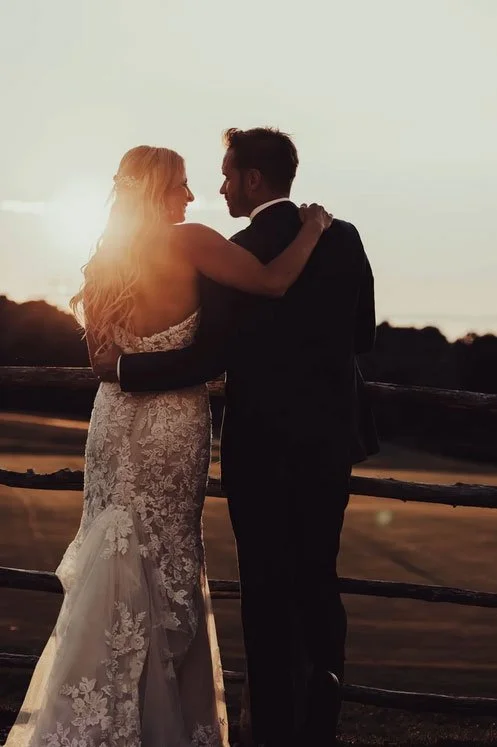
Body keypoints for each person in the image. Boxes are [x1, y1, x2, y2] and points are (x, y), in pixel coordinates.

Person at [4, 144, 332, 747]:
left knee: (116, 543)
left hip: (113, 421)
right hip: (171, 425)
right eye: (181, 184)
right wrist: (311, 227)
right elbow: (273, 282)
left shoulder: (108, 257)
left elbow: (101, 359)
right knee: (163, 559)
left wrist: (131, 365)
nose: (190, 195)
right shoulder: (190, 241)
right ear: (158, 191)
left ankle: (96, 715)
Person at [102, 128, 378, 747]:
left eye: (226, 175)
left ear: (253, 180)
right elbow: (364, 335)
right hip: (329, 443)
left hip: (258, 447)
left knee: (265, 588)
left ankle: (274, 727)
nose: (219, 186)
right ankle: (320, 724)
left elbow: (213, 352)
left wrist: (123, 369)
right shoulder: (346, 236)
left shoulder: (234, 250)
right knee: (318, 579)